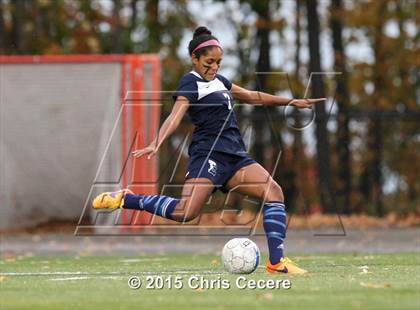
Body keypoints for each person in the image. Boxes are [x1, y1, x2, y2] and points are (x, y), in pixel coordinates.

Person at [92, 26, 325, 274]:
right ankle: (127, 199)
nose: (214, 67)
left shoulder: (221, 81)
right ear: (195, 58)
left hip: (235, 157)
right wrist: (156, 142)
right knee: (185, 213)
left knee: (274, 192)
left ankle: (277, 262)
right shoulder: (190, 82)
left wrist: (291, 101)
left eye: (218, 62)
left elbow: (252, 96)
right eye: (209, 62)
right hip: (208, 157)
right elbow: (175, 116)